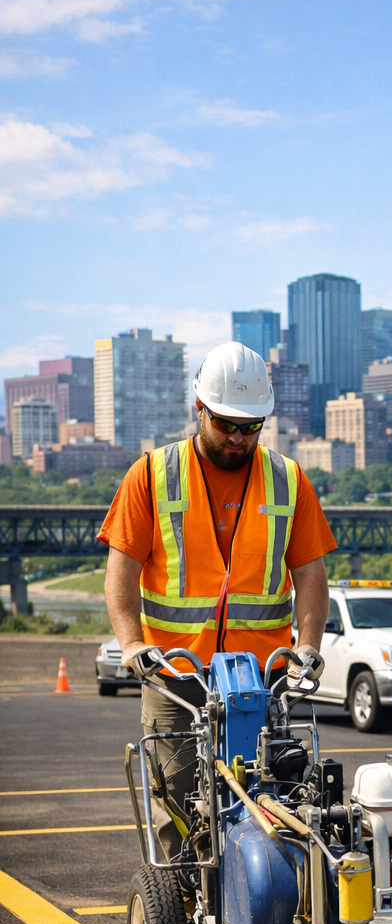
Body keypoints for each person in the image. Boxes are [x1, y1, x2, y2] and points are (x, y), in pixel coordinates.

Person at [100, 341, 337, 860]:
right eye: (226, 423)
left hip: (262, 679)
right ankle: (182, 901)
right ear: (199, 409)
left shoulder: (288, 479)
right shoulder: (151, 475)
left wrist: (310, 646)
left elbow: (310, 574)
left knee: (274, 802)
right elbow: (122, 570)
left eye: (250, 427)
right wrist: (132, 643)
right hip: (177, 676)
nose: (237, 437)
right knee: (180, 809)